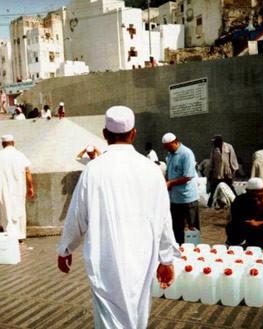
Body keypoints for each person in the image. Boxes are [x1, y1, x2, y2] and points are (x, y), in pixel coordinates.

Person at [57, 106, 179, 329]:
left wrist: (66, 248)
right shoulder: (151, 170)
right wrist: (166, 258)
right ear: (134, 133)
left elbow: (77, 216)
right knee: (137, 313)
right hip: (142, 258)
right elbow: (163, 218)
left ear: (105, 134)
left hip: (105, 258)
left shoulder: (93, 170)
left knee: (108, 318)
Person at [0, 135, 34, 242]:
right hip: (19, 188)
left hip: (4, 188)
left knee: (6, 211)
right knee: (19, 210)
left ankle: (10, 235)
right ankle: (20, 235)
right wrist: (31, 187)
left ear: (3, 144)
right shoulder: (20, 155)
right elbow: (28, 171)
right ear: (13, 143)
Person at [162, 133, 200, 244]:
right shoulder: (170, 154)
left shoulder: (186, 153)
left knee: (192, 229)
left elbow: (188, 176)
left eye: (169, 146)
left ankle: (194, 251)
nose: (167, 149)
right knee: (176, 228)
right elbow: (169, 172)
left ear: (175, 142)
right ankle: (180, 250)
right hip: (175, 199)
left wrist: (170, 183)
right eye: (165, 147)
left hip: (187, 199)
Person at [227, 177, 263, 247]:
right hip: (246, 228)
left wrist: (258, 222)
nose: (257, 197)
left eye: (261, 194)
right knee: (232, 227)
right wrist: (261, 207)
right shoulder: (240, 200)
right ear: (247, 191)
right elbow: (240, 220)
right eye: (254, 194)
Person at [207, 135, 238, 207]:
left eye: (215, 142)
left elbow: (233, 158)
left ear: (219, 141)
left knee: (230, 187)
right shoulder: (214, 149)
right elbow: (212, 161)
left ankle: (237, 201)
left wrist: (234, 170)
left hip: (227, 172)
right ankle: (209, 204)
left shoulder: (229, 147)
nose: (214, 144)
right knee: (214, 188)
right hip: (217, 173)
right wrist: (210, 172)